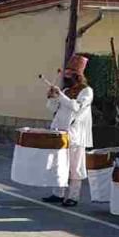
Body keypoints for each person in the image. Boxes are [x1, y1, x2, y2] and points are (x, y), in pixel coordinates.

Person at [43, 54, 93, 207]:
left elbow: (76, 106)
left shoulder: (87, 91)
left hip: (76, 135)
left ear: (77, 76)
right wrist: (51, 97)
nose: (67, 78)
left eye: (70, 75)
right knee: (59, 164)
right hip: (60, 131)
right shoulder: (65, 90)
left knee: (75, 167)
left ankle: (73, 196)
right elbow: (52, 108)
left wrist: (61, 95)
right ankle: (58, 194)